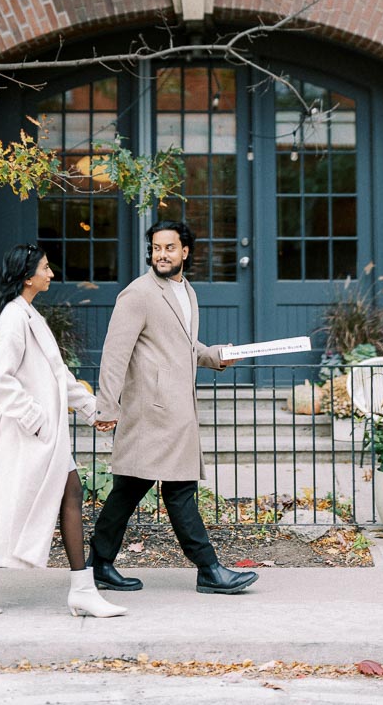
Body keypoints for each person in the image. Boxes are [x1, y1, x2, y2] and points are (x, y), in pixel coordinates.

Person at [0, 243, 125, 618]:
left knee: (67, 493)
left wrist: (94, 410)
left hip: (41, 435)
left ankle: (79, 588)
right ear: (28, 277)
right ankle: (77, 589)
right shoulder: (15, 316)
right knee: (2, 502)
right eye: (45, 268)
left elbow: (57, 377)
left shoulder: (27, 314)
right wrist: (36, 419)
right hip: (26, 433)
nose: (51, 274)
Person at [89, 220, 259, 595]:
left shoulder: (185, 291)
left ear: (185, 251)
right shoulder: (139, 294)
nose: (161, 254)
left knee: (133, 490)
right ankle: (209, 570)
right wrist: (107, 407)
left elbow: (180, 344)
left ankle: (100, 564)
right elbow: (115, 354)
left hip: (174, 412)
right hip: (152, 412)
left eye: (168, 247)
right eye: (155, 247)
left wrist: (214, 356)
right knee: (168, 490)